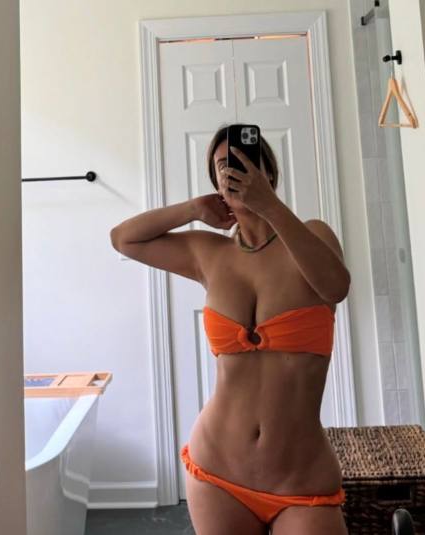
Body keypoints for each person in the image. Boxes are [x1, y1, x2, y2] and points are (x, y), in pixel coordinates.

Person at [110, 124, 351, 534]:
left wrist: (270, 206)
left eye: (244, 161)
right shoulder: (209, 253)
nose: (233, 170)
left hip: (300, 480)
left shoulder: (312, 234)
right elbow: (123, 239)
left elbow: (336, 287)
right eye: (223, 165)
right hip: (218, 472)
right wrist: (193, 209)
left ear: (268, 172)